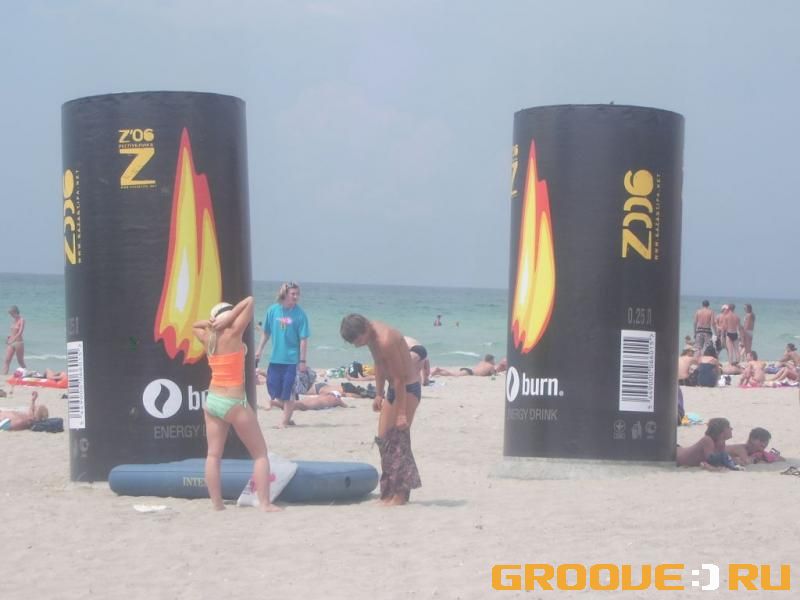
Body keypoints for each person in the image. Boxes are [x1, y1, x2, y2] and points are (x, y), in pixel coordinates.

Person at [192, 297, 281, 512]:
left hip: (213, 400)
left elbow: (195, 325)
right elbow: (250, 301)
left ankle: (217, 504)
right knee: (260, 454)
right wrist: (230, 318)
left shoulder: (208, 338)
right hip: (234, 401)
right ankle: (265, 503)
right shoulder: (233, 333)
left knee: (213, 455)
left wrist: (211, 323)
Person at [340, 314, 421, 506]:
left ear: (364, 330)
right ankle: (388, 491)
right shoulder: (371, 335)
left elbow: (400, 378)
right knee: (384, 439)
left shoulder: (386, 340)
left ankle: (400, 494)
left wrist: (401, 413)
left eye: (357, 340)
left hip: (407, 389)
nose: (356, 345)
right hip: (393, 389)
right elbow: (378, 363)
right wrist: (378, 394)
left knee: (398, 440)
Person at [255, 282, 310, 428]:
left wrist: (302, 361)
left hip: (292, 361)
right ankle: (288, 414)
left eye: (298, 294)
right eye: (293, 294)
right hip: (275, 359)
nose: (296, 297)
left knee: (289, 392)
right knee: (273, 389)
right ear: (284, 294)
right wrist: (259, 350)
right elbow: (266, 333)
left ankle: (284, 422)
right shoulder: (272, 310)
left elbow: (303, 339)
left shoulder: (300, 314)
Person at [3, 305, 26, 375]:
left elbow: (20, 332)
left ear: (15, 312)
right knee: (7, 360)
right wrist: (9, 337)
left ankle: (25, 373)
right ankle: (4, 375)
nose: (11, 315)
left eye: (12, 314)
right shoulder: (14, 320)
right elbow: (13, 332)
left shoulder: (22, 320)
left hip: (18, 342)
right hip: (11, 342)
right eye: (10, 314)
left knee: (20, 361)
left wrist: (13, 339)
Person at [430, 354, 498, 377]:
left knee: (452, 374)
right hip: (470, 373)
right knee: (453, 375)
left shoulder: (482, 362)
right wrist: (494, 365)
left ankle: (439, 371)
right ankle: (439, 370)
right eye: (493, 360)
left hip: (469, 370)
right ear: (491, 360)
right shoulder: (491, 366)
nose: (494, 361)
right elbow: (494, 374)